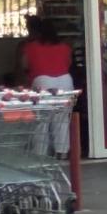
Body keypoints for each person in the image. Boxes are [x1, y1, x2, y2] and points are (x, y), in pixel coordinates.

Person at [23, 20, 74, 158]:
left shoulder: (30, 47)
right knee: (62, 118)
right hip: (65, 81)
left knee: (41, 120)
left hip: (42, 81)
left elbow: (25, 65)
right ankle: (62, 152)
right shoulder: (65, 47)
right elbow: (68, 63)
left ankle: (40, 152)